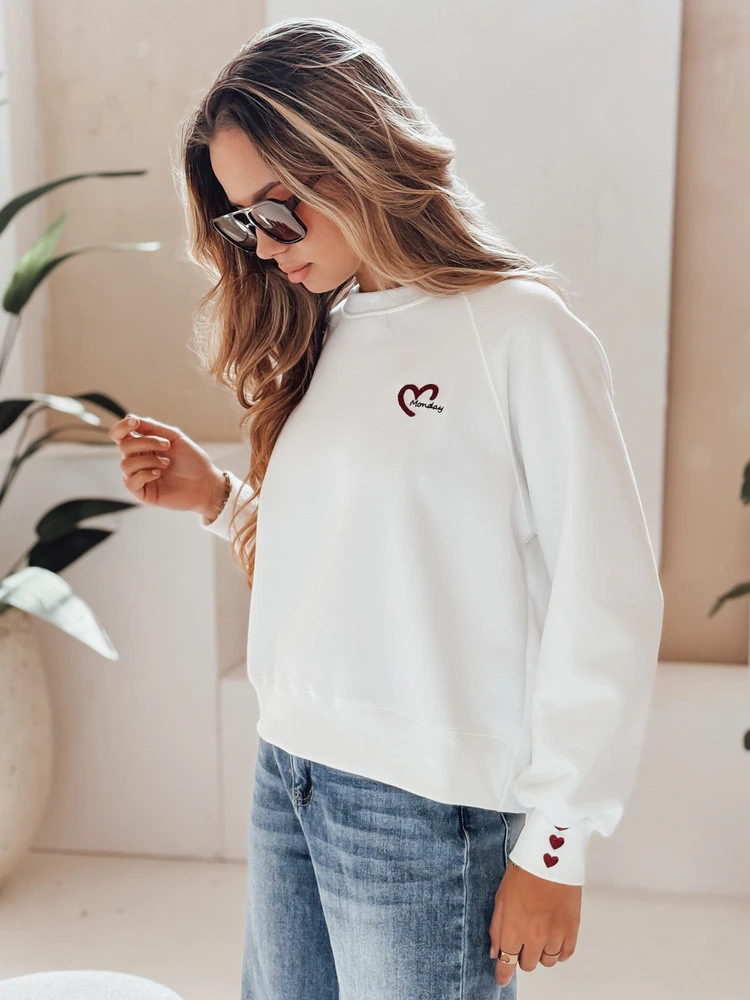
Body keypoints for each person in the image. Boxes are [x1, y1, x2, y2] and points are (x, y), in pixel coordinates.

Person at [110, 16, 664, 1000]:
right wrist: (222, 500)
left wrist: (557, 842)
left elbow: (606, 595)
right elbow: (351, 570)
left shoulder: (517, 330)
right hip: (290, 772)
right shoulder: (327, 334)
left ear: (352, 154)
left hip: (424, 811)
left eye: (273, 211)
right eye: (241, 223)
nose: (262, 247)